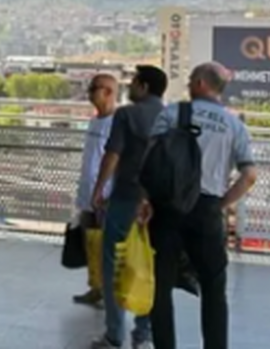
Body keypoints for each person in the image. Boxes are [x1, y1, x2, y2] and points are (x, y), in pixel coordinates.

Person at [144, 63, 257, 349]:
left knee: (160, 287)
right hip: (207, 210)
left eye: (191, 80)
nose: (189, 86)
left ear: (201, 84)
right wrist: (221, 204)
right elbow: (249, 175)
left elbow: (148, 161)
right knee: (214, 288)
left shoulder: (171, 114)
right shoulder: (234, 125)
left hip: (167, 209)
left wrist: (144, 200)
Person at [91, 65, 169, 349]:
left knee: (114, 264)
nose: (131, 86)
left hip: (127, 196)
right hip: (159, 203)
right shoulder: (172, 116)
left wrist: (99, 189)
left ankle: (114, 334)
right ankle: (143, 333)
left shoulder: (127, 114)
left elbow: (112, 154)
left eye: (134, 82)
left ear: (144, 86)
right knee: (148, 265)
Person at [73, 73, 119, 307]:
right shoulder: (94, 121)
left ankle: (109, 292)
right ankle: (95, 287)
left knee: (105, 246)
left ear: (108, 92)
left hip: (105, 196)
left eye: (94, 88)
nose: (90, 93)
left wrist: (107, 191)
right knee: (90, 242)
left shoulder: (116, 124)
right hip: (88, 193)